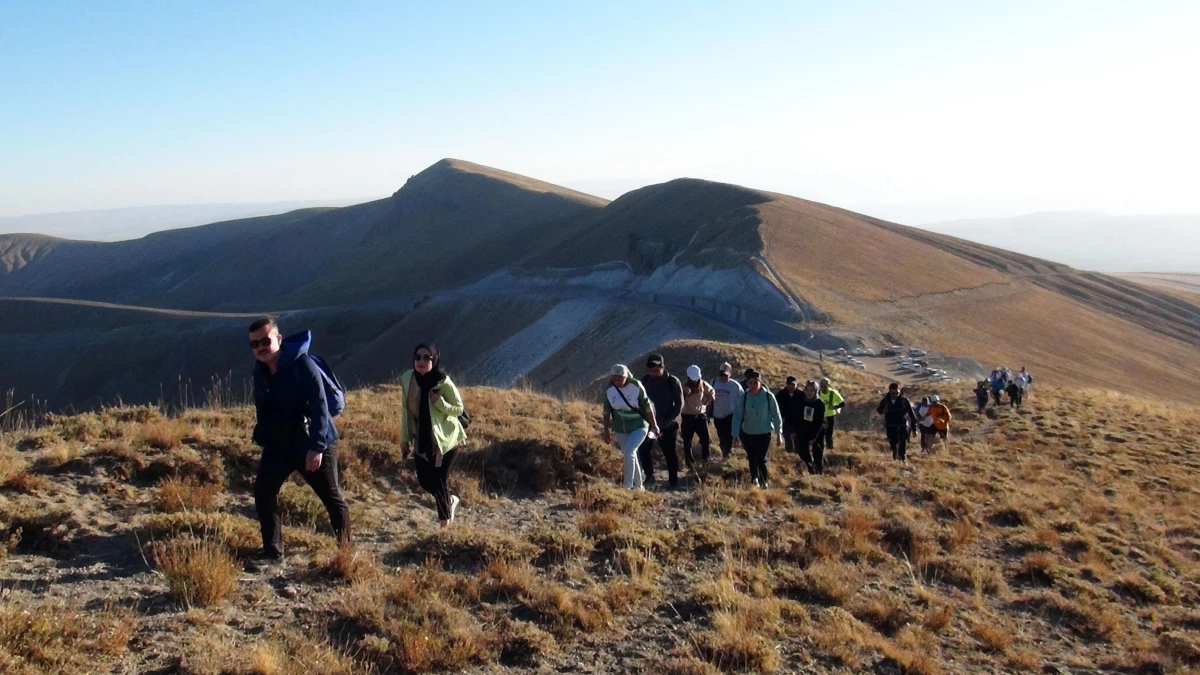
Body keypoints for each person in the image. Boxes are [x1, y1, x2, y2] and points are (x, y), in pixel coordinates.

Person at [249, 318, 350, 567]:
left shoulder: (301, 364)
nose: (261, 347)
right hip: (279, 443)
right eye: (255, 344)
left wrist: (316, 447)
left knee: (331, 496)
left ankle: (346, 553)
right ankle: (273, 552)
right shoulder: (260, 370)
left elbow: (320, 406)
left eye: (265, 341)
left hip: (311, 441)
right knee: (263, 491)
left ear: (278, 339)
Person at [399, 343, 467, 528]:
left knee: (439, 480)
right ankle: (450, 502)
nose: (421, 361)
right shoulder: (407, 379)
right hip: (422, 439)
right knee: (425, 481)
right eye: (417, 357)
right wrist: (405, 439)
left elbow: (459, 409)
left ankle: (445, 525)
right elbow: (406, 411)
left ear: (434, 359)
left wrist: (439, 403)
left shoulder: (442, 381)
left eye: (426, 357)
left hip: (446, 440)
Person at [602, 365, 660, 490]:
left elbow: (647, 405)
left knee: (629, 452)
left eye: (620, 379)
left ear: (626, 377)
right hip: (620, 427)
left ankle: (627, 486)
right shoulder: (609, 389)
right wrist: (606, 430)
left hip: (639, 425)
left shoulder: (636, 385)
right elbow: (607, 409)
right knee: (630, 455)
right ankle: (639, 487)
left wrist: (654, 425)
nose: (617, 382)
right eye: (614, 379)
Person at [638, 354, 684, 488]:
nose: (653, 373)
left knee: (670, 453)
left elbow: (679, 404)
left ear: (663, 367)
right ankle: (649, 476)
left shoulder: (672, 381)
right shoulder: (645, 381)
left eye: (656, 370)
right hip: (650, 425)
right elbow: (640, 403)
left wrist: (667, 420)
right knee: (644, 450)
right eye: (651, 371)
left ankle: (673, 480)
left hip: (668, 425)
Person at [732, 369, 783, 488]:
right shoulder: (744, 397)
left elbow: (776, 415)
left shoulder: (768, 397)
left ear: (761, 382)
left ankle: (763, 480)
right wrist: (735, 435)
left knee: (760, 458)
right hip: (748, 433)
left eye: (755, 382)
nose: (753, 385)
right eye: (750, 383)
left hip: (764, 432)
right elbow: (737, 416)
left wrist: (779, 433)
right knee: (751, 457)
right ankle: (754, 478)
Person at [680, 365, 715, 475]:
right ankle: (689, 463)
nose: (695, 381)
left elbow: (712, 393)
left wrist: (706, 403)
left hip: (700, 416)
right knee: (687, 441)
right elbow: (678, 400)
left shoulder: (703, 384)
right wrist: (684, 394)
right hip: (687, 416)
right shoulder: (683, 386)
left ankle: (706, 461)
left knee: (705, 440)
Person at [876, 383, 918, 463]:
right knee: (893, 445)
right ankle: (896, 459)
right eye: (893, 393)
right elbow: (879, 410)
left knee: (903, 444)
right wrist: (883, 410)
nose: (895, 395)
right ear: (890, 391)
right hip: (891, 426)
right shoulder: (886, 401)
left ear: (899, 391)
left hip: (903, 425)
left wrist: (914, 428)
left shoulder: (904, 400)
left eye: (897, 393)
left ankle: (903, 460)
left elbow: (911, 414)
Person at [710, 362, 743, 460]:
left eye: (726, 375)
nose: (723, 377)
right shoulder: (713, 382)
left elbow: (742, 399)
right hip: (717, 415)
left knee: (728, 436)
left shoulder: (735, 386)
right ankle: (725, 451)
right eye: (721, 375)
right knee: (721, 436)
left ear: (730, 374)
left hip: (730, 414)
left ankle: (727, 454)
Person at [796, 381, 827, 474]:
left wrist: (813, 437)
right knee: (802, 451)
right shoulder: (801, 401)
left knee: (817, 453)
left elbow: (820, 422)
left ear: (816, 391)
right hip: (804, 429)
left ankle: (819, 473)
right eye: (808, 390)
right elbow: (797, 416)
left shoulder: (819, 404)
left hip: (818, 431)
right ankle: (810, 467)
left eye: (812, 390)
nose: (809, 392)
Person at [775, 376, 805, 456]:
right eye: (789, 384)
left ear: (796, 385)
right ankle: (789, 455)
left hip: (798, 421)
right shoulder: (781, 394)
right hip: (786, 421)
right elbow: (776, 407)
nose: (791, 386)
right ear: (786, 384)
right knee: (787, 438)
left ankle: (798, 455)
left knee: (798, 439)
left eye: (793, 384)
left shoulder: (802, 395)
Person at [817, 377, 845, 450]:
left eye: (824, 386)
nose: (823, 388)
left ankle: (830, 449)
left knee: (829, 434)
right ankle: (820, 448)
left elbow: (842, 403)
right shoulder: (818, 393)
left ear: (828, 386)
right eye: (821, 386)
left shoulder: (833, 393)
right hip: (820, 416)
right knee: (820, 433)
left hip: (830, 416)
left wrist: (835, 407)